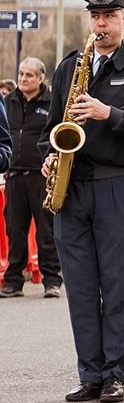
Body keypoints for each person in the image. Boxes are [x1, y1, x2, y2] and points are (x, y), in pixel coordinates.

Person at [40, 0, 124, 403]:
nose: (101, 24)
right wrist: (48, 156)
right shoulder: (68, 68)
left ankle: (115, 373)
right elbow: (51, 131)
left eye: (110, 16)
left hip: (116, 182)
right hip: (72, 186)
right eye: (95, 16)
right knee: (79, 285)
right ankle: (90, 373)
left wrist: (107, 113)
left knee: (115, 284)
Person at [2, 57, 63, 299]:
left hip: (41, 176)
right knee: (15, 231)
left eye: (29, 75)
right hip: (15, 175)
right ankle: (13, 282)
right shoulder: (8, 102)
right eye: (21, 74)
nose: (23, 79)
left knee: (46, 232)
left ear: (40, 78)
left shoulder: (50, 103)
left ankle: (52, 281)